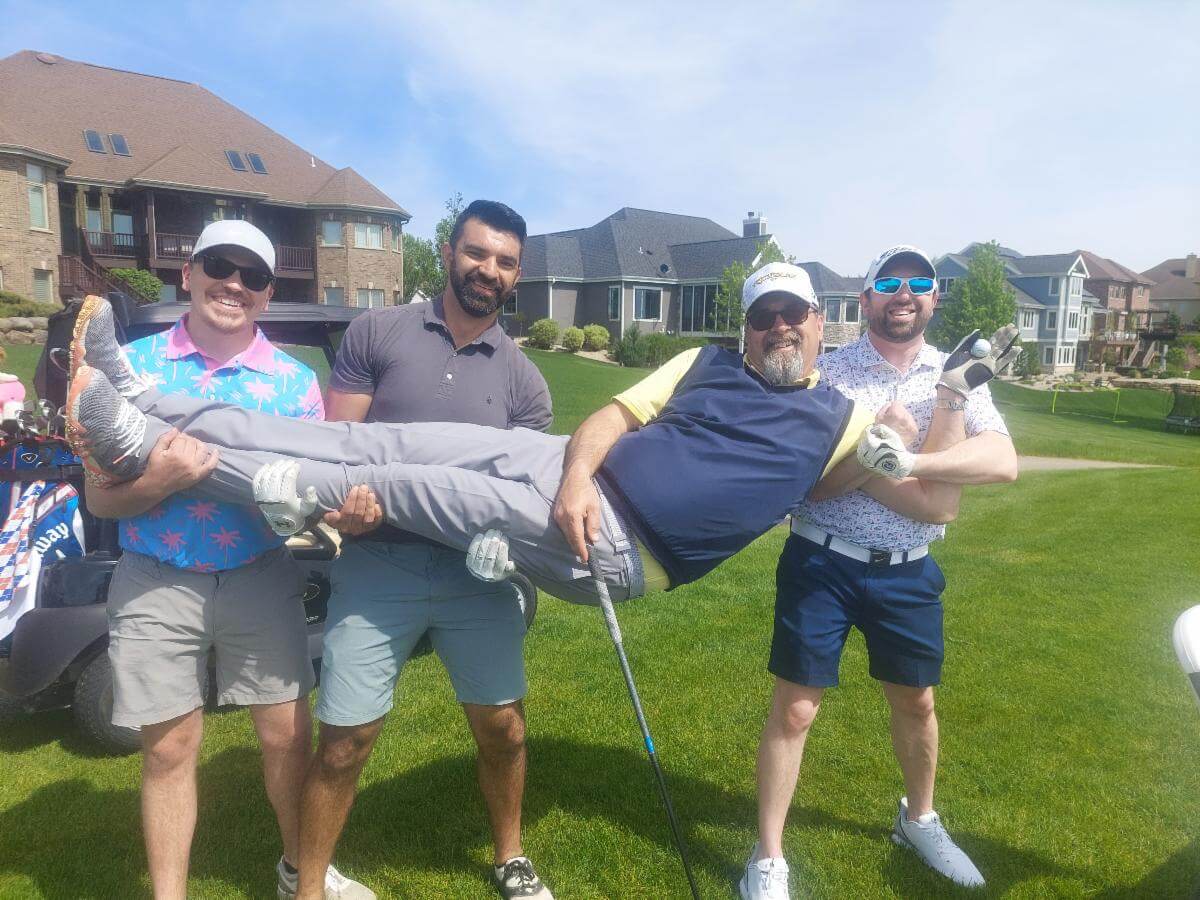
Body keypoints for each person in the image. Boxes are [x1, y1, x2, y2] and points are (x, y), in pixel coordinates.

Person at [66, 261, 1012, 609]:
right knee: (381, 444)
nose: (775, 328)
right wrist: (571, 477)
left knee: (399, 491)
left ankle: (151, 452)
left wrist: (946, 407)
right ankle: (141, 403)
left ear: (819, 321)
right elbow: (607, 415)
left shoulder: (840, 419)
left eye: (791, 316)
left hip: (619, 548)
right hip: (571, 476)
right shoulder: (708, 362)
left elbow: (945, 496)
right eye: (763, 315)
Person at [78, 221, 372, 900]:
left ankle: (303, 874)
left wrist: (336, 512)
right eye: (219, 265)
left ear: (268, 294)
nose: (234, 284)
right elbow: (100, 497)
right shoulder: (133, 368)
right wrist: (162, 482)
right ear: (190, 272)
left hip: (260, 576)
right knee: (169, 749)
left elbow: (307, 497)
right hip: (156, 578)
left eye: (253, 275)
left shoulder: (297, 386)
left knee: (287, 739)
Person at [739, 245, 1019, 899]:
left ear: (934, 299)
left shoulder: (957, 375)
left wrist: (911, 460)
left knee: (917, 703)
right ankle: (768, 856)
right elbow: (813, 487)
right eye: (888, 282)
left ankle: (918, 820)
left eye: (919, 282)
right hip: (821, 560)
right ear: (863, 301)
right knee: (796, 709)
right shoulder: (829, 373)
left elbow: (1001, 461)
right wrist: (879, 454)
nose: (905, 291)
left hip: (909, 572)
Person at [298, 201, 556, 900]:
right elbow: (336, 451)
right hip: (380, 562)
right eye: (477, 253)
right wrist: (341, 508)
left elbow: (520, 493)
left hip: (476, 576)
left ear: (517, 275)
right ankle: (309, 884)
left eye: (504, 262)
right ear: (448, 251)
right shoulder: (376, 331)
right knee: (345, 739)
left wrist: (510, 546)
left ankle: (510, 856)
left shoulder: (524, 381)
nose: (488, 271)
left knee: (503, 728)